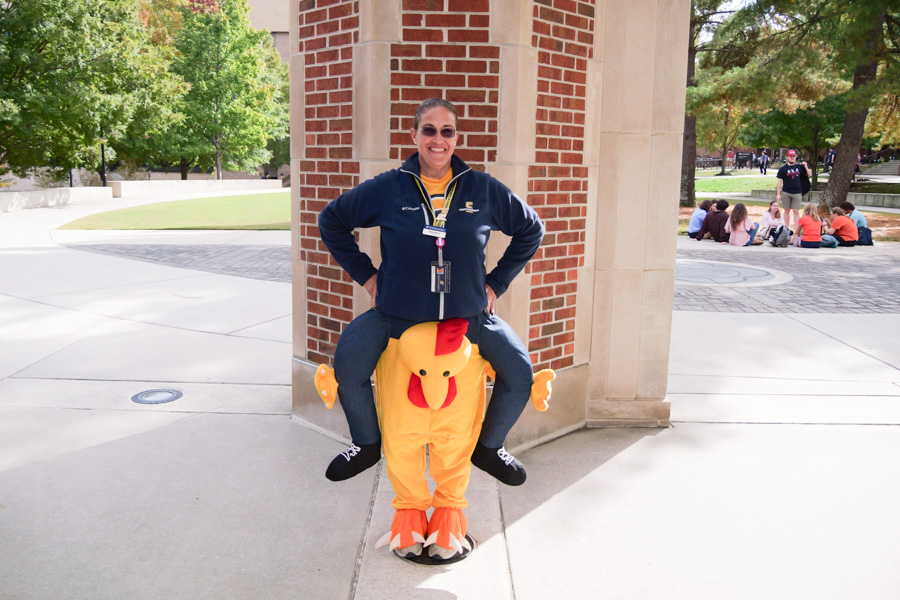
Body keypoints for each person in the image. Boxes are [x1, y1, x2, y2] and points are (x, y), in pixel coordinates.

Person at [318, 98, 544, 486]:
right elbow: (331, 220)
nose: (438, 140)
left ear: (456, 138)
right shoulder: (391, 188)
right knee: (349, 363)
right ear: (414, 134)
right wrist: (368, 277)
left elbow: (531, 229)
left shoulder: (482, 188)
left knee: (520, 373)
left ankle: (489, 448)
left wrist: (496, 283)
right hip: (396, 315)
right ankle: (366, 444)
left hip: (469, 316)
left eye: (447, 131)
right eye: (429, 130)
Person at [775, 150, 812, 232]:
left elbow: (809, 175)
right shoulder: (783, 169)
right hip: (786, 191)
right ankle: (787, 229)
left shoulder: (800, 167)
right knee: (786, 210)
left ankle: (796, 230)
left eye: (794, 156)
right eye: (790, 156)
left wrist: (806, 166)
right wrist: (778, 194)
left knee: (796, 211)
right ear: (787, 157)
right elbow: (779, 181)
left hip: (797, 192)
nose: (792, 158)